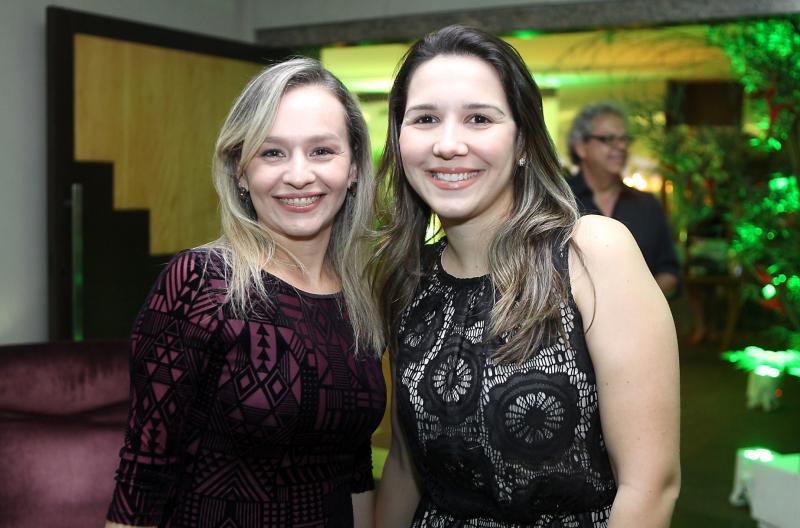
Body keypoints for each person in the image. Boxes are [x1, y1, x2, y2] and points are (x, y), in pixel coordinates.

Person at [372, 26, 680, 527]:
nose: (448, 144)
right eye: (425, 119)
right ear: (400, 138)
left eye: (479, 118)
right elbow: (406, 467)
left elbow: (650, 486)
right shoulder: (408, 279)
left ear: (522, 142)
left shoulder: (589, 253)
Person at [105, 58, 386, 528]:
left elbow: (355, 470)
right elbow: (142, 475)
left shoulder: (360, 295)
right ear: (240, 171)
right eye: (272, 153)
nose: (299, 175)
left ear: (354, 166)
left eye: (322, 151)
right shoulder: (200, 282)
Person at [567, 102, 680, 298]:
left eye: (624, 139)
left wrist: (638, 300)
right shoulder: (558, 201)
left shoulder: (647, 205)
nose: (621, 146)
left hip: (640, 313)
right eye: (608, 139)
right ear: (581, 147)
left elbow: (669, 270)